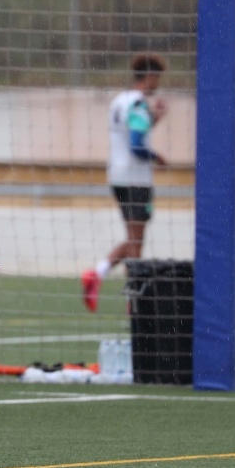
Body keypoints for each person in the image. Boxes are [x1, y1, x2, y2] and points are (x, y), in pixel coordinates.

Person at [81, 53, 168, 312]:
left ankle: (103, 276)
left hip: (117, 176)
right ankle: (131, 297)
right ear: (150, 77)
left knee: (133, 239)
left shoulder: (120, 101)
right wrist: (157, 157)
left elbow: (130, 132)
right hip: (136, 179)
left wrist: (154, 120)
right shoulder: (139, 103)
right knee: (136, 241)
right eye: (157, 78)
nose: (158, 84)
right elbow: (137, 145)